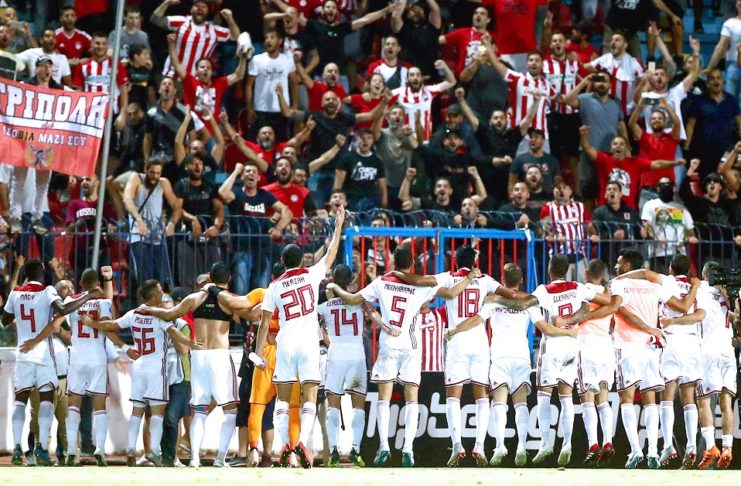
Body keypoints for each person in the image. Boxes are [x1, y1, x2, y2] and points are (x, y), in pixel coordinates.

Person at [327, 246, 480, 467]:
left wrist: (335, 288)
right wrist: (470, 277)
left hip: (389, 344)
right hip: (411, 346)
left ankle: (384, 447)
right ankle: (408, 450)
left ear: (393, 262)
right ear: (412, 264)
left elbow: (352, 300)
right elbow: (451, 293)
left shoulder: (382, 282)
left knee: (384, 399)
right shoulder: (420, 285)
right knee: (412, 398)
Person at [425, 246, 537, 467]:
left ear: (455, 262)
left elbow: (434, 289)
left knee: (453, 395)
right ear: (474, 262)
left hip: (457, 342)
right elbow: (512, 295)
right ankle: (480, 446)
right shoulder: (485, 280)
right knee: (482, 396)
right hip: (479, 343)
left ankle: (457, 445)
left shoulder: (447, 277)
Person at [253, 206, 347, 469]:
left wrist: (258, 353)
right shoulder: (312, 274)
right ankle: (303, 443)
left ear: (282, 262)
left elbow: (263, 324)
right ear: (301, 261)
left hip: (285, 343)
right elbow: (331, 254)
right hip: (308, 343)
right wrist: (338, 227)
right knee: (309, 397)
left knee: (283, 399)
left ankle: (286, 446)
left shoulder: (274, 286)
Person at [81, 279, 200, 467]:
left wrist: (91, 323)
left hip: (137, 366)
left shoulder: (133, 314)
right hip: (156, 368)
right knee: (157, 412)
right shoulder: (160, 317)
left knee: (137, 411)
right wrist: (189, 342)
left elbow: (111, 325)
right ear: (154, 295)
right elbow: (174, 333)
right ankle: (153, 451)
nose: (162, 293)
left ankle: (131, 449)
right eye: (160, 291)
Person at [139, 263, 242, 468]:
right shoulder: (230, 300)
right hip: (220, 355)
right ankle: (220, 459)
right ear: (229, 278)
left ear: (210, 277)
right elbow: (246, 315)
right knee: (230, 410)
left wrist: (149, 309)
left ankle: (194, 458)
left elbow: (169, 314)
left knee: (200, 409)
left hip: (199, 356)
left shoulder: (194, 298)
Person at [4, 259, 101, 466]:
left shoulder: (15, 293)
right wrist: (88, 295)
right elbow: (63, 309)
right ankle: (41, 448)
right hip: (44, 357)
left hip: (23, 354)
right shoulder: (47, 291)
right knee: (46, 400)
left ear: (26, 274)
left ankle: (17, 449)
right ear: (42, 271)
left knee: (20, 401)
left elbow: (4, 321)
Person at [609, 248, 699, 469]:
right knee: (650, 400)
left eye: (619, 262)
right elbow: (681, 306)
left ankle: (636, 450)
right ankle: (652, 451)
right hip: (651, 347)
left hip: (628, 345)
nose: (616, 266)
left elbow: (622, 312)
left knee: (626, 398)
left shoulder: (618, 283)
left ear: (628, 264)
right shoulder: (656, 286)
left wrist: (649, 328)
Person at [526, 254, 615, 466]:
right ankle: (567, 443)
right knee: (567, 397)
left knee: (544, 394)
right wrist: (608, 289)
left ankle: (546, 443)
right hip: (574, 346)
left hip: (554, 345)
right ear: (567, 270)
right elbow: (608, 302)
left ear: (550, 269)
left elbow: (532, 308)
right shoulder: (578, 287)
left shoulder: (543, 290)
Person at [64, 268, 130, 467]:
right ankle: (100, 449)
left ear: (80, 283)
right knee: (99, 407)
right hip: (97, 358)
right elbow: (108, 328)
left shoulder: (70, 301)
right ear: (97, 285)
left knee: (73, 405)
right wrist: (124, 347)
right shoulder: (103, 303)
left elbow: (61, 325)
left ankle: (71, 450)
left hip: (76, 357)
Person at [318, 264, 367, 467]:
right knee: (358, 405)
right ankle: (356, 449)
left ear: (333, 280)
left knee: (333, 404)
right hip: (357, 355)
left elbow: (316, 325)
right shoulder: (359, 301)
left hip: (336, 355)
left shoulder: (324, 306)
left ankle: (334, 451)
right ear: (351, 280)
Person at [218, 162, 293, 294]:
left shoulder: (265, 195)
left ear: (258, 178)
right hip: (241, 250)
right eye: (247, 171)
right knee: (241, 290)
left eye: (254, 172)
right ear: (242, 176)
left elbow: (287, 211)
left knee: (261, 290)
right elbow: (222, 193)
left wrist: (278, 228)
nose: (250, 174)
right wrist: (236, 171)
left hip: (262, 251)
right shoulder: (236, 194)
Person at [576, 259, 619, 466]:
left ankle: (593, 444)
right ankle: (608, 442)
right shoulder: (610, 295)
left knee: (587, 399)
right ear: (602, 275)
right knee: (603, 399)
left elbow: (579, 314)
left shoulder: (581, 290)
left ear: (586, 272)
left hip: (586, 344)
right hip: (606, 345)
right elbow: (613, 319)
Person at [695, 261, 736, 470]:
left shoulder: (700, 289)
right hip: (728, 350)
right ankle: (727, 447)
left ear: (705, 275)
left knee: (703, 400)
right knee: (726, 402)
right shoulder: (731, 293)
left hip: (708, 350)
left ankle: (711, 447)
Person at [123, 159, 181, 290]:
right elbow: (127, 199)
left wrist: (172, 223)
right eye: (152, 172)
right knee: (143, 278)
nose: (155, 176)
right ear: (146, 170)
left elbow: (177, 206)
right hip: (138, 236)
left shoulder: (163, 183)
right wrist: (138, 220)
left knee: (159, 278)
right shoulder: (136, 178)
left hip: (157, 237)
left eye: (158, 173)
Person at [173, 153, 225, 290]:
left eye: (200, 163)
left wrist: (216, 226)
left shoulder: (209, 185)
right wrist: (193, 218)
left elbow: (219, 208)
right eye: (193, 163)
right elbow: (178, 209)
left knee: (215, 276)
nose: (197, 166)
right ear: (186, 167)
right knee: (188, 279)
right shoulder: (181, 185)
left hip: (209, 236)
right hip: (187, 237)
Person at [150, 0, 240, 79]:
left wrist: (230, 19)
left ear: (208, 11)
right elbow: (155, 19)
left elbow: (236, 36)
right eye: (197, 6)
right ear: (191, 9)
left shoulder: (214, 30)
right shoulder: (181, 22)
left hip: (195, 82)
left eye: (203, 6)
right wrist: (166, 3)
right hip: (172, 76)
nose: (200, 9)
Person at [245, 28, 298, 141]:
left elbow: (294, 84)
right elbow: (249, 85)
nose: (268, 40)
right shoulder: (257, 60)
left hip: (282, 110)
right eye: (266, 38)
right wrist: (250, 108)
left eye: (272, 38)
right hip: (261, 110)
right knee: (261, 143)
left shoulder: (288, 60)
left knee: (282, 142)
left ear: (280, 41)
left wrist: (294, 106)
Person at [641, 177, 699, 271]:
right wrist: (656, 238)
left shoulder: (682, 208)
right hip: (658, 254)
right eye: (662, 185)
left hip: (679, 255)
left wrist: (689, 238)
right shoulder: (650, 205)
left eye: (668, 184)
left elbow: (691, 233)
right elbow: (646, 229)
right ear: (657, 188)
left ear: (673, 188)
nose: (665, 187)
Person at [392, 63, 457, 141]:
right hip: (407, 140)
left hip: (425, 140)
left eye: (418, 75)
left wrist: (445, 66)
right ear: (407, 79)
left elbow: (452, 82)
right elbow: (382, 97)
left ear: (422, 78)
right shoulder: (399, 93)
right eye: (412, 75)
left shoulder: (429, 91)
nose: (415, 77)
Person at [333, 129, 388, 211]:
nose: (365, 141)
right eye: (362, 138)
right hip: (351, 202)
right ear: (356, 140)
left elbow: (383, 189)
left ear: (373, 141)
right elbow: (337, 186)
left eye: (369, 138)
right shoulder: (346, 158)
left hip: (371, 202)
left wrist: (384, 208)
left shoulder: (378, 162)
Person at [390, 0, 441, 78]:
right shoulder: (402, 28)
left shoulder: (431, 27)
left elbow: (435, 9)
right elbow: (395, 16)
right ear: (407, 13)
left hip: (428, 75)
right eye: (413, 10)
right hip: (406, 75)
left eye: (420, 9)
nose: (416, 11)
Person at [55, 6, 91, 70]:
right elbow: (48, 56)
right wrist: (67, 63)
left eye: (72, 16)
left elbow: (97, 50)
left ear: (76, 18)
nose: (70, 18)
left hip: (78, 72)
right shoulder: (54, 35)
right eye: (66, 16)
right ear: (61, 19)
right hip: (60, 72)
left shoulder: (83, 35)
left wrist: (87, 60)